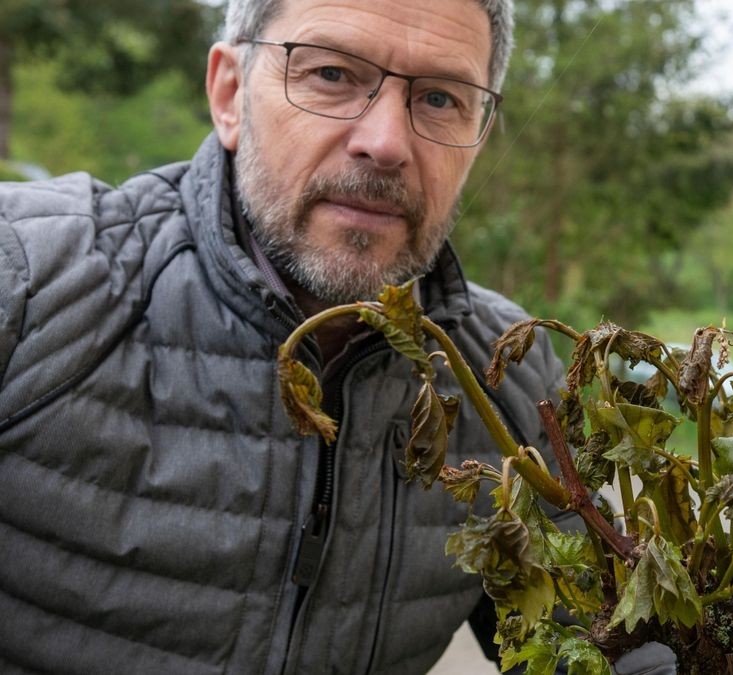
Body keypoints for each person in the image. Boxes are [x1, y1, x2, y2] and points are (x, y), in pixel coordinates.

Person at [0, 1, 672, 672]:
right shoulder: (31, 286)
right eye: (331, 74)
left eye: (440, 97)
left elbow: (607, 649)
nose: (385, 142)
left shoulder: (510, 381)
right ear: (230, 94)